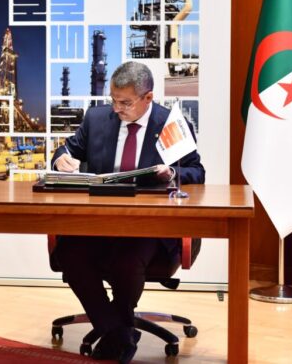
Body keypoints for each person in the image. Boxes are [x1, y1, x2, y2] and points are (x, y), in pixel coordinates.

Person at [51, 61, 205, 363]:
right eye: (113, 100)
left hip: (149, 226)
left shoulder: (170, 124)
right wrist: (60, 159)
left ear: (148, 98)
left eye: (125, 102)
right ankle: (119, 333)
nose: (117, 108)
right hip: (98, 221)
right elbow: (67, 150)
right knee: (69, 253)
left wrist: (172, 172)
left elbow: (197, 171)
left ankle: (114, 338)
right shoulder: (97, 119)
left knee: (127, 260)